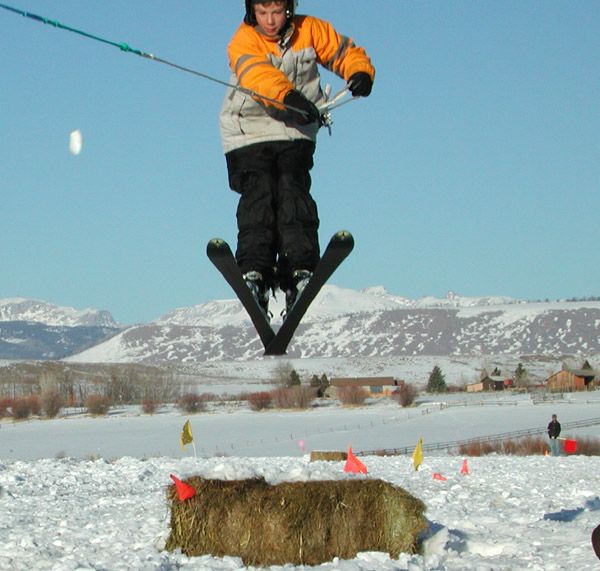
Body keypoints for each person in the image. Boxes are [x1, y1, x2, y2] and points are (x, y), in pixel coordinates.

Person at [219, 0, 375, 319]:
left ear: (288, 10)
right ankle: (254, 273)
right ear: (252, 12)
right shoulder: (243, 40)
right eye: (262, 14)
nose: (270, 21)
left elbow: (343, 50)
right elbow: (258, 76)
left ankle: (299, 269)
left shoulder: (311, 29)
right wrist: (288, 98)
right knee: (260, 196)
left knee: (293, 193)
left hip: (296, 130)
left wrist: (359, 72)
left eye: (276, 12)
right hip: (249, 130)